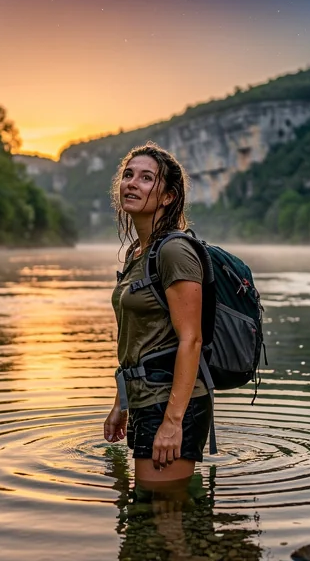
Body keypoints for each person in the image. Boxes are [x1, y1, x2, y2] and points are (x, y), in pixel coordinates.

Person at [103, 141, 213, 489]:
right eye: (128, 175)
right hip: (145, 398)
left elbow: (191, 339)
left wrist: (172, 422)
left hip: (172, 403)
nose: (132, 183)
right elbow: (138, 339)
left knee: (163, 518)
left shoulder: (175, 251)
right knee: (149, 526)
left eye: (146, 178)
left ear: (167, 196)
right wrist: (121, 403)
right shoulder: (139, 252)